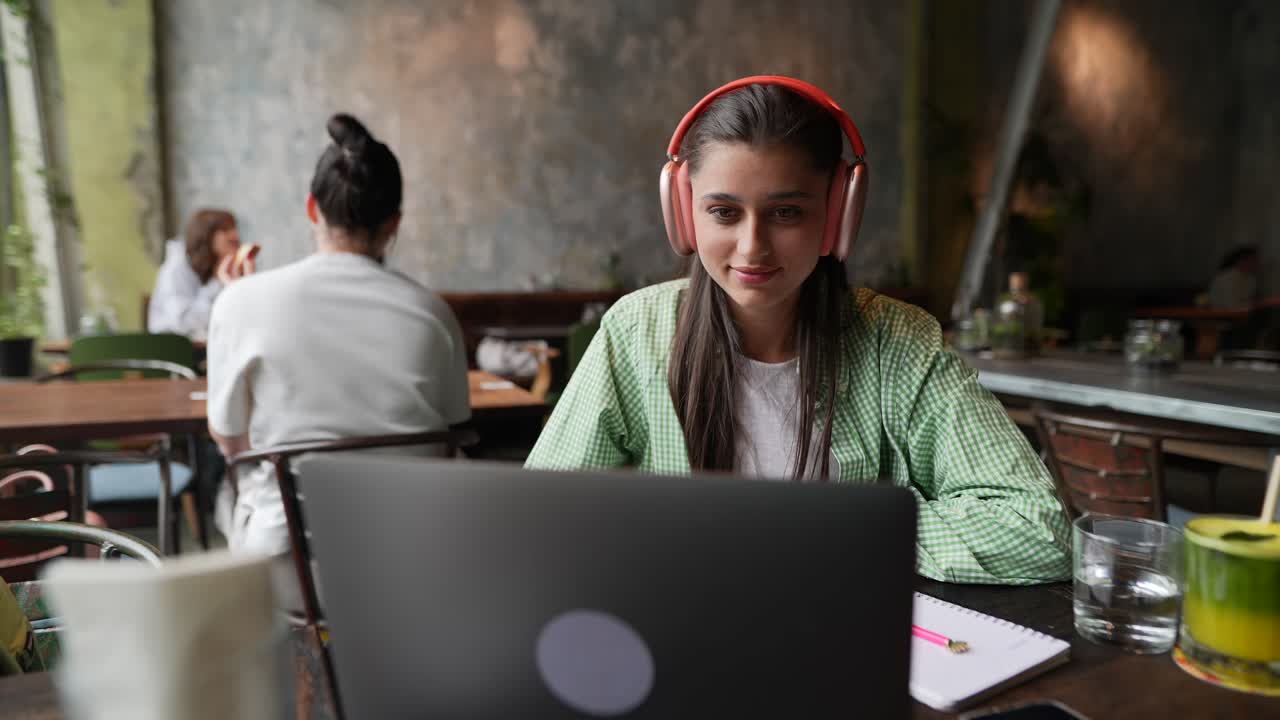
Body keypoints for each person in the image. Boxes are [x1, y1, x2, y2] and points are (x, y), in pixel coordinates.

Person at [525, 77, 1071, 585]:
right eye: (723, 212)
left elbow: (1041, 529)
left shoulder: (898, 342)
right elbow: (540, 521)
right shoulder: (636, 332)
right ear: (685, 215)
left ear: (837, 215)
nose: (752, 247)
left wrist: (836, 531)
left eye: (786, 212)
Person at [206, 113, 471, 570]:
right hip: (410, 560)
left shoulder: (241, 303)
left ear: (312, 209)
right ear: (394, 224)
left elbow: (231, 442)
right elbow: (450, 433)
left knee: (228, 495)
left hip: (290, 566)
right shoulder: (433, 314)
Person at [148, 208, 248, 337]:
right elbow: (184, 322)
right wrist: (217, 281)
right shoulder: (175, 270)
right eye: (226, 230)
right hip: (171, 348)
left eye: (234, 228)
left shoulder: (222, 267)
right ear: (207, 236)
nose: (235, 235)